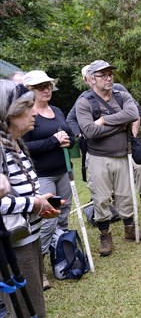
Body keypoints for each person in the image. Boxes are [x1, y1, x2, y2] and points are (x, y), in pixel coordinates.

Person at [0, 79, 64, 318]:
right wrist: (32, 203)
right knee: (28, 312)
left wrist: (42, 204)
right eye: (27, 107)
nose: (35, 112)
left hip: (30, 237)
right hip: (16, 246)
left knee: (30, 311)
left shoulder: (15, 144)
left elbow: (23, 192)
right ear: (9, 114)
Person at [75, 60, 141, 257]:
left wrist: (104, 120)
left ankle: (130, 230)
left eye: (110, 74)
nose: (109, 78)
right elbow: (90, 131)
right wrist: (120, 124)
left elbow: (132, 113)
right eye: (103, 75)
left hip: (122, 155)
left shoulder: (121, 95)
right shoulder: (85, 101)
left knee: (126, 195)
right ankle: (105, 234)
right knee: (100, 198)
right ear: (92, 79)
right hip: (98, 158)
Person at [66, 65, 141, 214]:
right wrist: (81, 134)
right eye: (86, 79)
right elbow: (71, 119)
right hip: (99, 148)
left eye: (108, 75)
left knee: (139, 168)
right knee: (103, 183)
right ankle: (113, 208)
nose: (89, 81)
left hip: (127, 142)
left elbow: (133, 111)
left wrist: (130, 125)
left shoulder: (118, 90)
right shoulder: (85, 98)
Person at [21, 70, 75, 291]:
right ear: (29, 91)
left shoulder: (57, 110)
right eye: (40, 86)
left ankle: (61, 258)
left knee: (64, 216)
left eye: (48, 85)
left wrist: (67, 142)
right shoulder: (26, 115)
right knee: (48, 220)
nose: (46, 89)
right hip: (42, 176)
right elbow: (25, 147)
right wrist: (53, 141)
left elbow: (71, 137)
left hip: (63, 172)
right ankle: (39, 269)